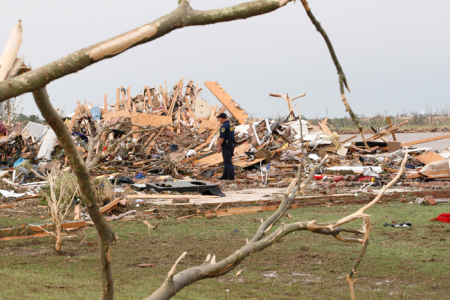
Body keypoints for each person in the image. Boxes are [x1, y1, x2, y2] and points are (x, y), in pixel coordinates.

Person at [217, 112, 235, 180]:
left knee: (228, 161)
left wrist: (219, 146)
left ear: (221, 118)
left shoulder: (223, 126)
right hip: (231, 145)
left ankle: (231, 176)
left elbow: (221, 138)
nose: (219, 120)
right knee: (226, 161)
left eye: (219, 118)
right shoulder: (231, 124)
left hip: (227, 146)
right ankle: (225, 175)